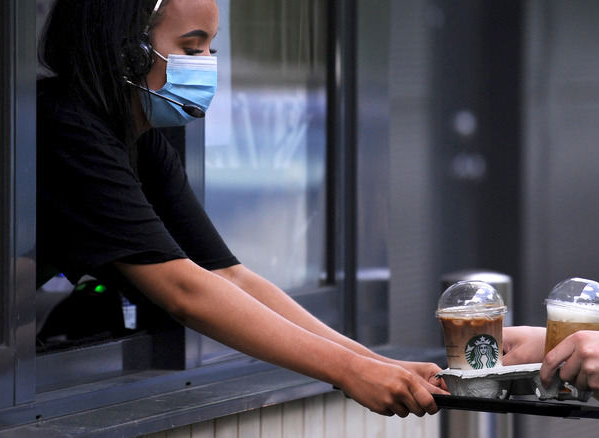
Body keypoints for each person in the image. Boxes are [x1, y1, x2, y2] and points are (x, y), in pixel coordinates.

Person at [36, 0, 446, 418]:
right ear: (129, 53)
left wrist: (377, 365)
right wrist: (351, 371)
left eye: (211, 49)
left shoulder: (137, 138)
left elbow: (228, 275)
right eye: (192, 49)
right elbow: (184, 291)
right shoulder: (69, 128)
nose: (207, 64)